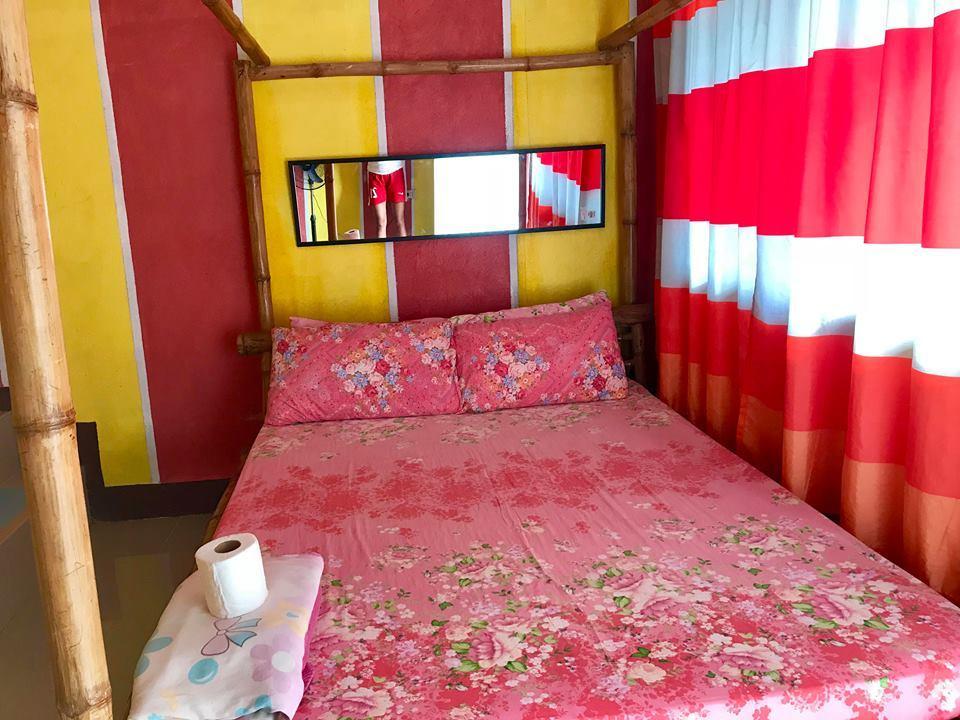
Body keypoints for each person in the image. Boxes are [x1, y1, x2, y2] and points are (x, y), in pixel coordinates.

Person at [368, 159, 408, 238]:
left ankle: (405, 246)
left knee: (400, 221)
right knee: (381, 223)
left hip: (396, 170)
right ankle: (380, 246)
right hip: (375, 172)